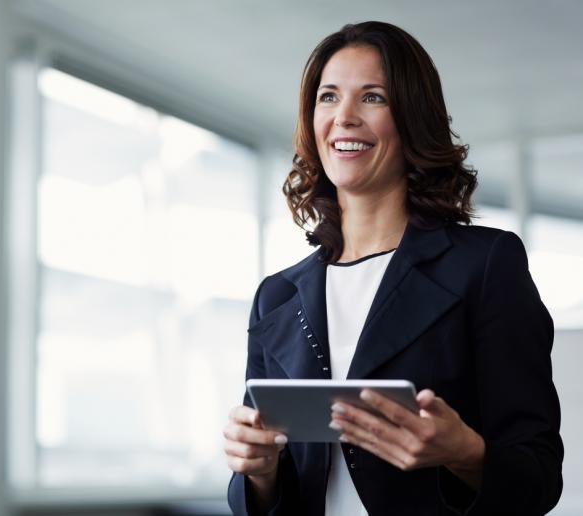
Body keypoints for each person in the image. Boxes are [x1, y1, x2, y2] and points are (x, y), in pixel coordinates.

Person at [223, 21, 564, 516]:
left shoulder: (486, 265)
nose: (344, 117)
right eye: (328, 97)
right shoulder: (276, 296)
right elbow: (263, 494)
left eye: (373, 98)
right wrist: (257, 470)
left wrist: (463, 452)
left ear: (411, 119)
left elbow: (538, 478)